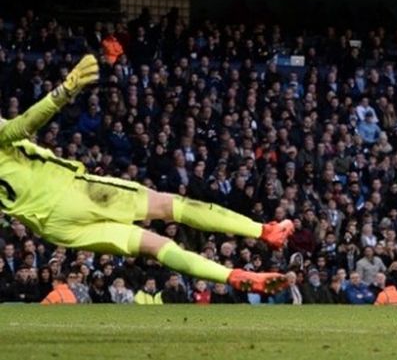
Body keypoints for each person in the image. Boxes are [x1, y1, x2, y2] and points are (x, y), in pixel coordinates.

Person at [0, 55, 292, 296]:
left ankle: (232, 275)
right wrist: (64, 92)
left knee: (156, 247)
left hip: (55, 228)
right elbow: (21, 127)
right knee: (170, 206)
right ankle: (265, 231)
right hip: (72, 193)